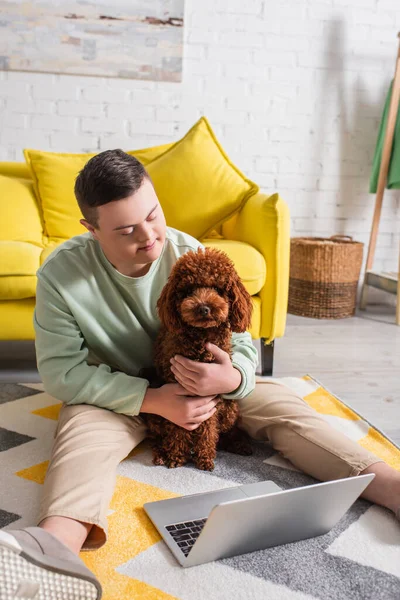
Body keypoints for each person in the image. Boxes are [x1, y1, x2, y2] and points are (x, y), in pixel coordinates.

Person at [1, 150, 399, 600]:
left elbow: (244, 340)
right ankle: (53, 551)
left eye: (152, 215)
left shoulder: (189, 252)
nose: (149, 236)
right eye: (126, 230)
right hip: (118, 394)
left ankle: (390, 486)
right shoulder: (61, 274)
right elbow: (60, 371)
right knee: (80, 437)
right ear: (91, 230)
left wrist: (233, 380)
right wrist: (154, 399)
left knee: (282, 403)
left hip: (212, 387)